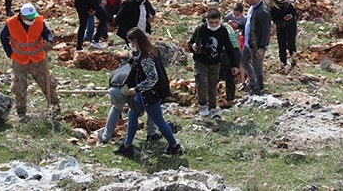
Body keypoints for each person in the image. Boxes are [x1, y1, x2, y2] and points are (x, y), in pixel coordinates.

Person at [114, 27, 182, 157]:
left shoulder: (145, 57)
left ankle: (174, 145)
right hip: (144, 94)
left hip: (149, 95)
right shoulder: (148, 51)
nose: (130, 45)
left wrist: (136, 89)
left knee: (159, 121)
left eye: (130, 42)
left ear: (135, 41)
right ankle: (127, 145)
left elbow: (152, 78)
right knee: (132, 114)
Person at [0, 3, 59, 122]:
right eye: (29, 18)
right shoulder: (11, 23)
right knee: (19, 87)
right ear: (22, 16)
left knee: (47, 83)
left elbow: (47, 33)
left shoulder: (38, 21)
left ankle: (55, 108)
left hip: (38, 60)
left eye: (33, 17)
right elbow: (3, 36)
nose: (32, 20)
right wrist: (9, 53)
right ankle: (21, 111)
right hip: (20, 60)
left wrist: (50, 41)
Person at [98, 52, 162, 144]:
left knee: (116, 109)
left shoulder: (117, 70)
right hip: (127, 88)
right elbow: (138, 85)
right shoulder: (137, 69)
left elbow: (110, 85)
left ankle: (105, 137)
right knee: (148, 107)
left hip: (114, 89)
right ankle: (151, 133)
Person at [188, 9, 239, 119]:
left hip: (215, 62)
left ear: (220, 20)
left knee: (212, 85)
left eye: (216, 22)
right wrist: (193, 47)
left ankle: (212, 109)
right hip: (200, 61)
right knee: (202, 83)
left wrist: (234, 65)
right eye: (211, 22)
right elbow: (190, 42)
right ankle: (202, 105)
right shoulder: (201, 29)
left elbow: (229, 48)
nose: (214, 25)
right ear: (207, 20)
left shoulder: (223, 31)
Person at [240, 0, 271, 95]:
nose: (246, 0)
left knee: (258, 67)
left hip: (257, 45)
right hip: (249, 43)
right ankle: (252, 82)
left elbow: (266, 31)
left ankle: (260, 87)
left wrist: (262, 48)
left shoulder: (262, 11)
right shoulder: (252, 8)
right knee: (243, 61)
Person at [263, 0, 297, 74]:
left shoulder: (284, 4)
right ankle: (283, 64)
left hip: (290, 25)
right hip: (280, 26)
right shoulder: (269, 7)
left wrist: (290, 16)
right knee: (281, 45)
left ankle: (293, 63)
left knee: (290, 44)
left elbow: (293, 12)